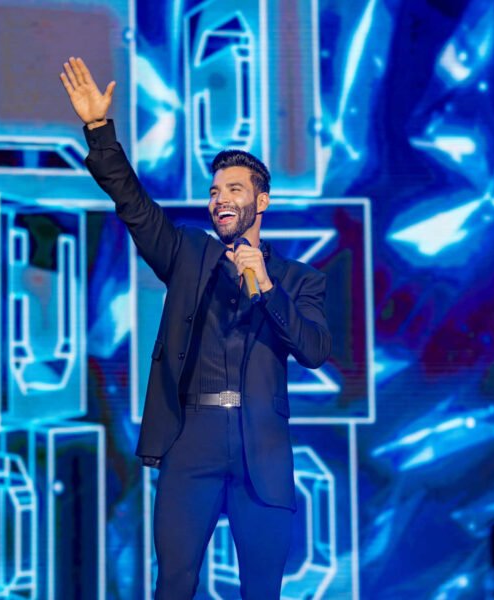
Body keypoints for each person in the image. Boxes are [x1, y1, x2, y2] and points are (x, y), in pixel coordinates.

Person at [60, 57, 331, 599]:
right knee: (175, 583)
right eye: (214, 191)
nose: (220, 199)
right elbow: (134, 206)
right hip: (193, 439)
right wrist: (99, 130)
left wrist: (266, 288)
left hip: (262, 448)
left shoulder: (299, 279)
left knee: (263, 590)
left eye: (234, 189)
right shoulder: (187, 254)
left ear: (261, 201)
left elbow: (314, 349)